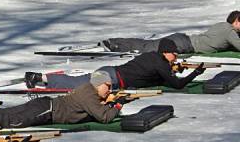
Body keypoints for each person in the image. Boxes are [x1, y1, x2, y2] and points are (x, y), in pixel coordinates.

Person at [0, 71, 124, 129]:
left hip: (45, 106)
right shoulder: (89, 94)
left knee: (4, 114)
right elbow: (105, 117)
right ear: (98, 85)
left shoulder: (89, 91)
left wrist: (108, 103)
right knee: (6, 120)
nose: (109, 89)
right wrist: (117, 104)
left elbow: (97, 110)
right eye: (107, 86)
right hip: (46, 110)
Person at [26, 39, 206, 91]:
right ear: (166, 52)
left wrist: (175, 69)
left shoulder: (152, 56)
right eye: (174, 54)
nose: (175, 57)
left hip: (110, 72)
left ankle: (42, 78)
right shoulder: (161, 63)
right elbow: (176, 84)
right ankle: (38, 78)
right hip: (110, 78)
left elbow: (154, 76)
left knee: (78, 81)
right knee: (76, 85)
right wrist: (195, 73)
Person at [100, 11, 240, 54]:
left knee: (148, 44)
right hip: (184, 44)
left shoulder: (222, 26)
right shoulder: (229, 31)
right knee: (147, 48)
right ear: (236, 21)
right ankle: (114, 44)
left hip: (183, 40)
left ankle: (115, 42)